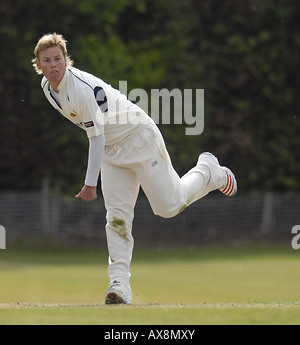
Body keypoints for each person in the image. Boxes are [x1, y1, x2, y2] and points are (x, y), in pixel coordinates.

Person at [32, 33, 237, 305]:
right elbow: (98, 137)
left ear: (66, 60)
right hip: (111, 150)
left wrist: (90, 184)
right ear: (38, 65)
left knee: (168, 207)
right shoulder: (47, 87)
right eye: (47, 61)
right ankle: (118, 284)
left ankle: (209, 171)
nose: (54, 65)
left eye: (58, 59)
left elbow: (95, 137)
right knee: (116, 216)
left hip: (138, 138)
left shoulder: (78, 88)